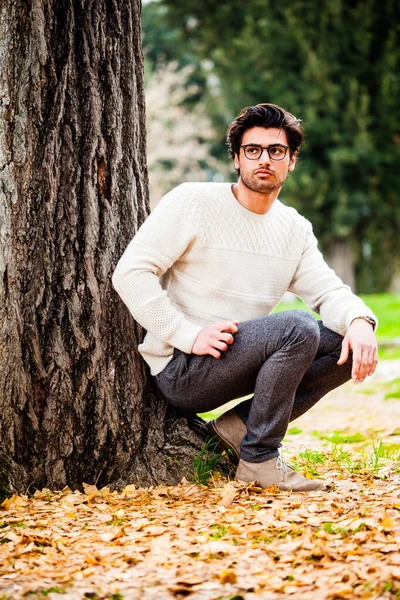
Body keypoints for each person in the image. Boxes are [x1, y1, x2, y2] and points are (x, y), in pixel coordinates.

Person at [112, 103, 378, 492]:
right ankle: (260, 460)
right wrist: (187, 335)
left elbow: (328, 291)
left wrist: (359, 321)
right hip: (182, 369)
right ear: (237, 159)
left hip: (235, 356)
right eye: (253, 150)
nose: (264, 159)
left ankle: (239, 429)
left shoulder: (293, 229)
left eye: (276, 151)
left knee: (347, 345)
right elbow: (130, 272)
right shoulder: (194, 202)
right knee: (297, 327)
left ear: (291, 161)